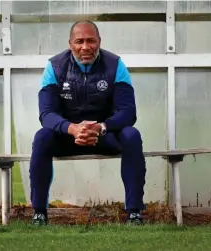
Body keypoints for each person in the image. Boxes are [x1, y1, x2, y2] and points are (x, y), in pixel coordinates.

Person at [30, 20, 146, 225]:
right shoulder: (54, 66)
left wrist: (101, 127)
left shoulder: (115, 65)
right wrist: (73, 129)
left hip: (103, 135)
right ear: (70, 44)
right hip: (67, 138)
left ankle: (134, 213)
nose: (85, 47)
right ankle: (39, 213)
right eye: (79, 41)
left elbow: (128, 112)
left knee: (131, 135)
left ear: (99, 41)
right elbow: (46, 114)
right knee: (42, 137)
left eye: (91, 41)